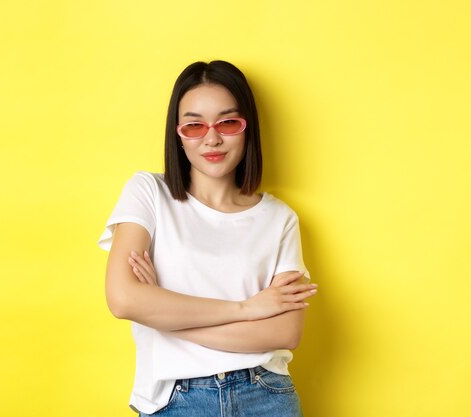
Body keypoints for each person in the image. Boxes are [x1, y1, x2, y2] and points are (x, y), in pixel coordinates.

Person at [98, 60, 317, 416]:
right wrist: (246, 309)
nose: (212, 138)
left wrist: (163, 316)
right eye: (194, 125)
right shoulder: (149, 193)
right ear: (177, 133)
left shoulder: (279, 218)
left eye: (228, 122)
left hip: (265, 394)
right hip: (175, 400)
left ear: (248, 128)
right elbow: (124, 300)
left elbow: (285, 332)